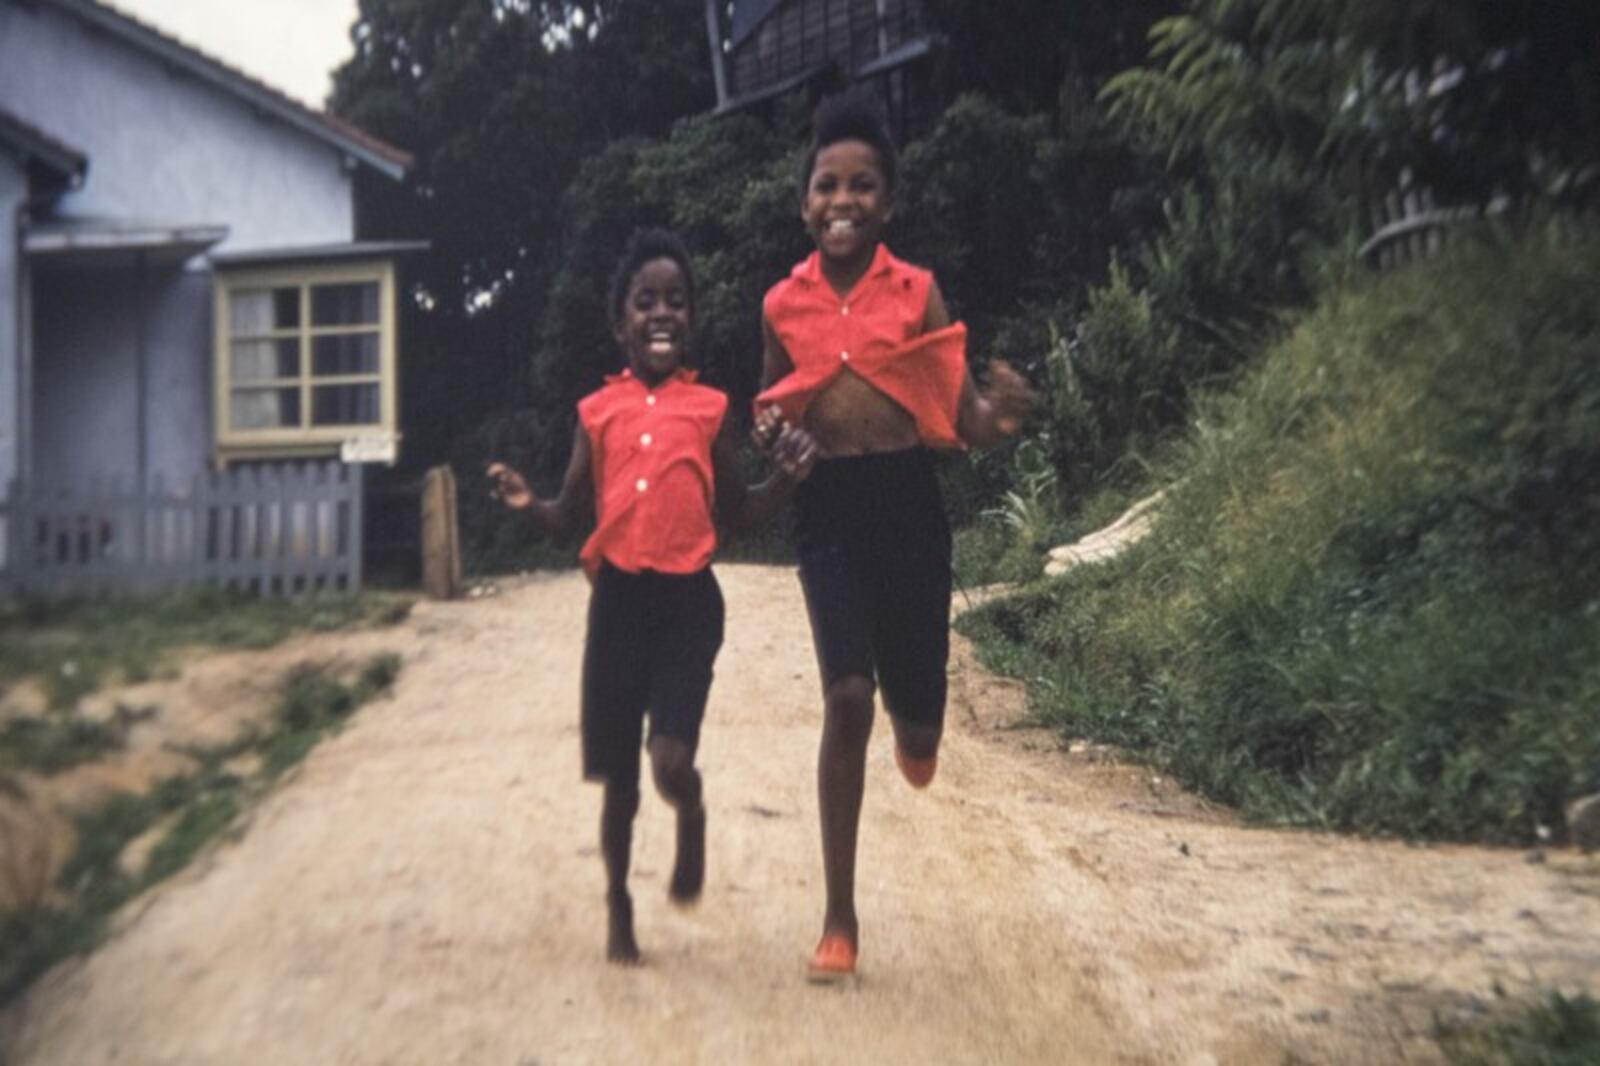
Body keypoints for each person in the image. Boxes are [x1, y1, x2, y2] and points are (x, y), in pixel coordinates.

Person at [754, 91, 1033, 983]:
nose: (844, 199)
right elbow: (767, 408)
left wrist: (1001, 417)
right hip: (827, 510)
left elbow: (965, 414)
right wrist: (776, 440)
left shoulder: (916, 293)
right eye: (827, 185)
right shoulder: (779, 304)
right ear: (804, 204)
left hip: (909, 507)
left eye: (863, 185)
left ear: (889, 201)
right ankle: (839, 917)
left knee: (914, 717)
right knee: (846, 699)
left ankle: (920, 731)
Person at [489, 228, 817, 965]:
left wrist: (789, 479)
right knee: (619, 782)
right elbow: (573, 519)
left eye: (675, 300)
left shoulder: (709, 410)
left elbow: (736, 514)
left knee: (668, 762)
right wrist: (526, 504)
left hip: (688, 608)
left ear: (690, 316)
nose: (661, 312)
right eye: (645, 301)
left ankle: (690, 809)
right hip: (617, 609)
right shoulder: (595, 414)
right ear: (621, 323)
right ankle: (618, 909)